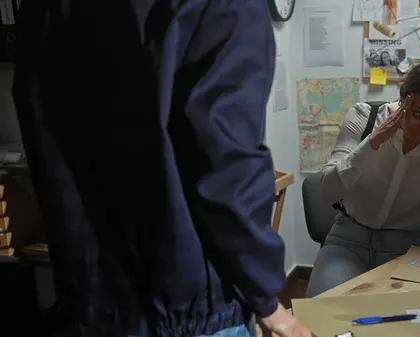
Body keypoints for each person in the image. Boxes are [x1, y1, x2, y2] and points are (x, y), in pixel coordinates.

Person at [12, 1, 313, 337]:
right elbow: (226, 164)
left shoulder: (39, 9)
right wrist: (267, 299)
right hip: (188, 311)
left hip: (89, 300)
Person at [306, 59, 420, 297]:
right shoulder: (364, 118)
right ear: (403, 98)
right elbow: (327, 191)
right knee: (322, 316)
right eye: (417, 114)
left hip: (408, 249)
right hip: (348, 241)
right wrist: (371, 143)